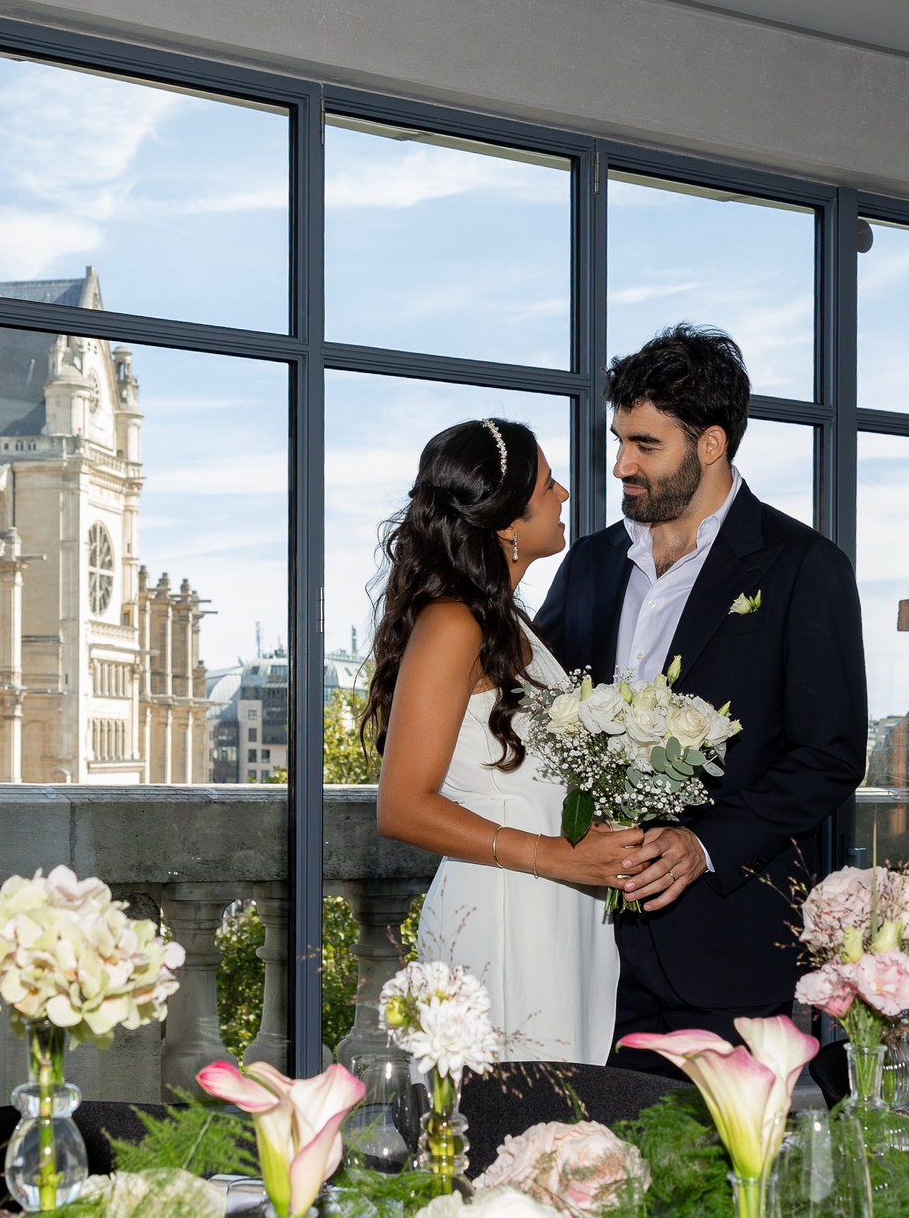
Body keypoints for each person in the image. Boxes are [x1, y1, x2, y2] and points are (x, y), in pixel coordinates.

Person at [531, 325, 868, 1075]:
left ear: (710, 443)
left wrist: (704, 844)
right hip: (581, 945)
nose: (621, 464)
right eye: (619, 439)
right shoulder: (589, 563)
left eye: (645, 445)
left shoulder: (803, 565)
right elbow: (537, 710)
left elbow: (831, 753)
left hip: (728, 951)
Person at [369, 417, 637, 1063]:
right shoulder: (451, 623)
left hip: (551, 914)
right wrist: (553, 853)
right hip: (505, 919)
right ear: (507, 521)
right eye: (548, 483)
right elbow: (400, 804)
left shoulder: (509, 624)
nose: (565, 494)